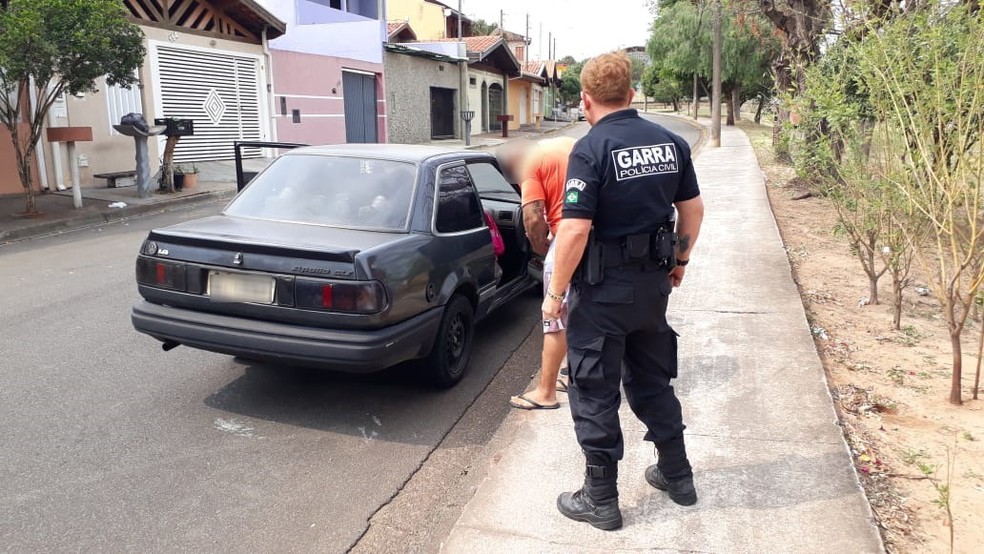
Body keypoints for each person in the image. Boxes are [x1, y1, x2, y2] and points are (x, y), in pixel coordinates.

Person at [542, 52, 705, 530]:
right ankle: (678, 477)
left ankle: (601, 500)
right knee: (653, 380)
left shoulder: (590, 149)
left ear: (585, 99)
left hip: (602, 293)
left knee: (593, 389)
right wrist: (680, 261)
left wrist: (555, 295)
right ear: (631, 94)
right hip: (653, 288)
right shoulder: (670, 143)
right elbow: (692, 210)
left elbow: (573, 231)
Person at [496, 136, 577, 411]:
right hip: (595, 235)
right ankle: (574, 375)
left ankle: (546, 392)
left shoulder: (530, 162)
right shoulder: (567, 144)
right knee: (578, 307)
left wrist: (540, 247)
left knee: (553, 313)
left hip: (567, 236)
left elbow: (532, 217)